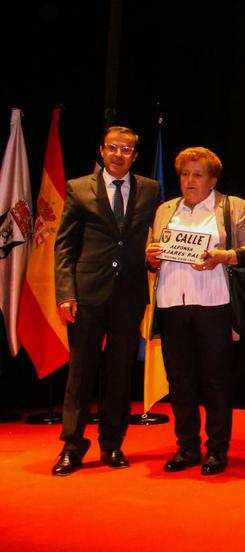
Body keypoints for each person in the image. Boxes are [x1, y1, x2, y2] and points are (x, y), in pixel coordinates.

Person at [52, 126, 160, 476]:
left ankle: (112, 442)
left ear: (135, 156)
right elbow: (65, 245)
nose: (118, 154)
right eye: (113, 147)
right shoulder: (78, 187)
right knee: (81, 371)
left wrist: (153, 258)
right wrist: (66, 292)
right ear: (101, 150)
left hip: (129, 294)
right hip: (86, 293)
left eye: (126, 150)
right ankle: (72, 445)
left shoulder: (150, 189)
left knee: (119, 371)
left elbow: (154, 238)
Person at [146, 147, 245, 476]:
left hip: (214, 304)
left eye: (198, 174)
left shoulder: (232, 206)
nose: (189, 180)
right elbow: (152, 254)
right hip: (172, 303)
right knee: (179, 379)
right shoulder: (166, 209)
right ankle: (187, 446)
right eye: (184, 174)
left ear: (212, 180)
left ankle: (217, 448)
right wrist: (151, 257)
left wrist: (225, 256)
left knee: (216, 380)